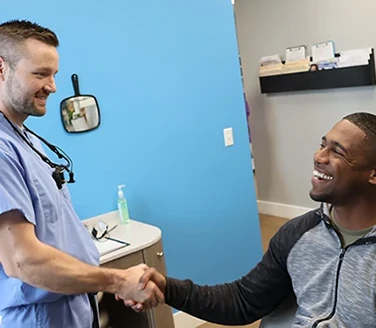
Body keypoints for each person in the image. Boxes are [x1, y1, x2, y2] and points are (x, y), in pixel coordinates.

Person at [130, 112, 376, 327]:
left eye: (337, 152)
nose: (319, 157)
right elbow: (244, 300)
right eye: (322, 145)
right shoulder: (298, 233)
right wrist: (166, 287)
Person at [0, 20, 163, 328]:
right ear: (2, 68)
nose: (52, 86)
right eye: (40, 74)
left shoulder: (29, 141)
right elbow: (22, 259)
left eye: (54, 74)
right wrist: (116, 281)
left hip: (74, 305)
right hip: (42, 318)